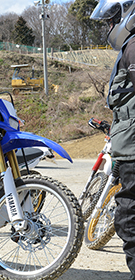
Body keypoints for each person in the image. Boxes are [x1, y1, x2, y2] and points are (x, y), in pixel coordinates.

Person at [91, 1, 135, 279]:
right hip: (128, 144)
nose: (108, 27)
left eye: (110, 21)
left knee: (129, 219)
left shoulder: (133, 47)